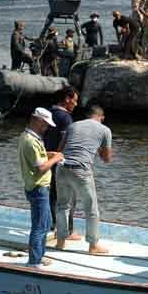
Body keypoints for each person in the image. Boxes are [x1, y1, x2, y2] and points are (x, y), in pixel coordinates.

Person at [54, 105, 113, 255]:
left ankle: (60, 242)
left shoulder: (73, 125)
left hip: (61, 168)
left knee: (62, 206)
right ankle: (93, 246)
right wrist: (98, 148)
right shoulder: (105, 130)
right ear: (102, 117)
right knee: (91, 210)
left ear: (87, 115)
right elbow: (107, 159)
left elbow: (60, 150)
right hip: (81, 170)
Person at [18, 108, 64, 267]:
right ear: (38, 121)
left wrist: (47, 154)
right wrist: (56, 158)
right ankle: (34, 262)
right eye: (45, 124)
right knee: (40, 226)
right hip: (38, 188)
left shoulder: (30, 137)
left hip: (39, 187)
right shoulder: (31, 141)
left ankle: (39, 255)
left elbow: (37, 159)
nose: (46, 128)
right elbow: (40, 168)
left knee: (45, 222)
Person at [43, 85, 79, 238]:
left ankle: (51, 226)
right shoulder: (65, 117)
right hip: (61, 160)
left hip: (47, 158)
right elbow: (67, 142)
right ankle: (67, 230)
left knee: (52, 194)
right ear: (67, 99)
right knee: (67, 196)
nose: (76, 104)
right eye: (74, 101)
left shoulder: (48, 113)